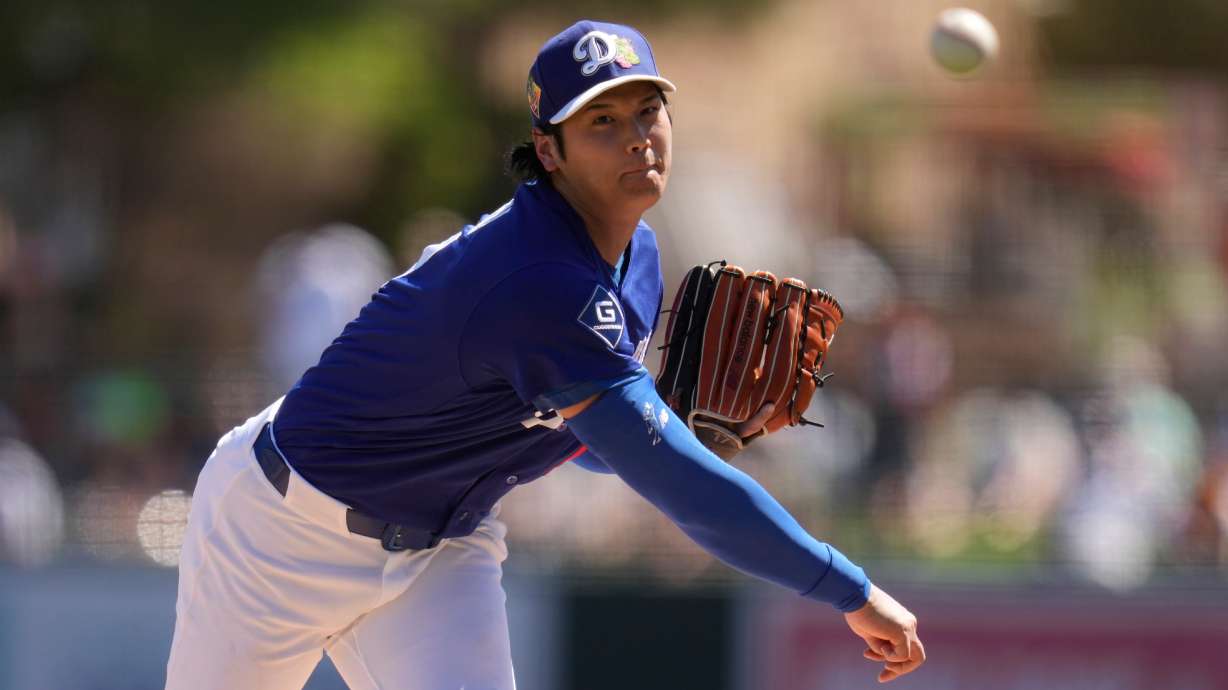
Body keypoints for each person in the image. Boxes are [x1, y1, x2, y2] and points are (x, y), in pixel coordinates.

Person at [164, 19, 925, 690]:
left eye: (647, 109)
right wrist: (850, 591)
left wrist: (651, 431)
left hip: (440, 549)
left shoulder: (637, 257)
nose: (636, 135)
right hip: (280, 536)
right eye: (600, 120)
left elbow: (584, 440)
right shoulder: (540, 282)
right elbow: (681, 489)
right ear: (548, 150)